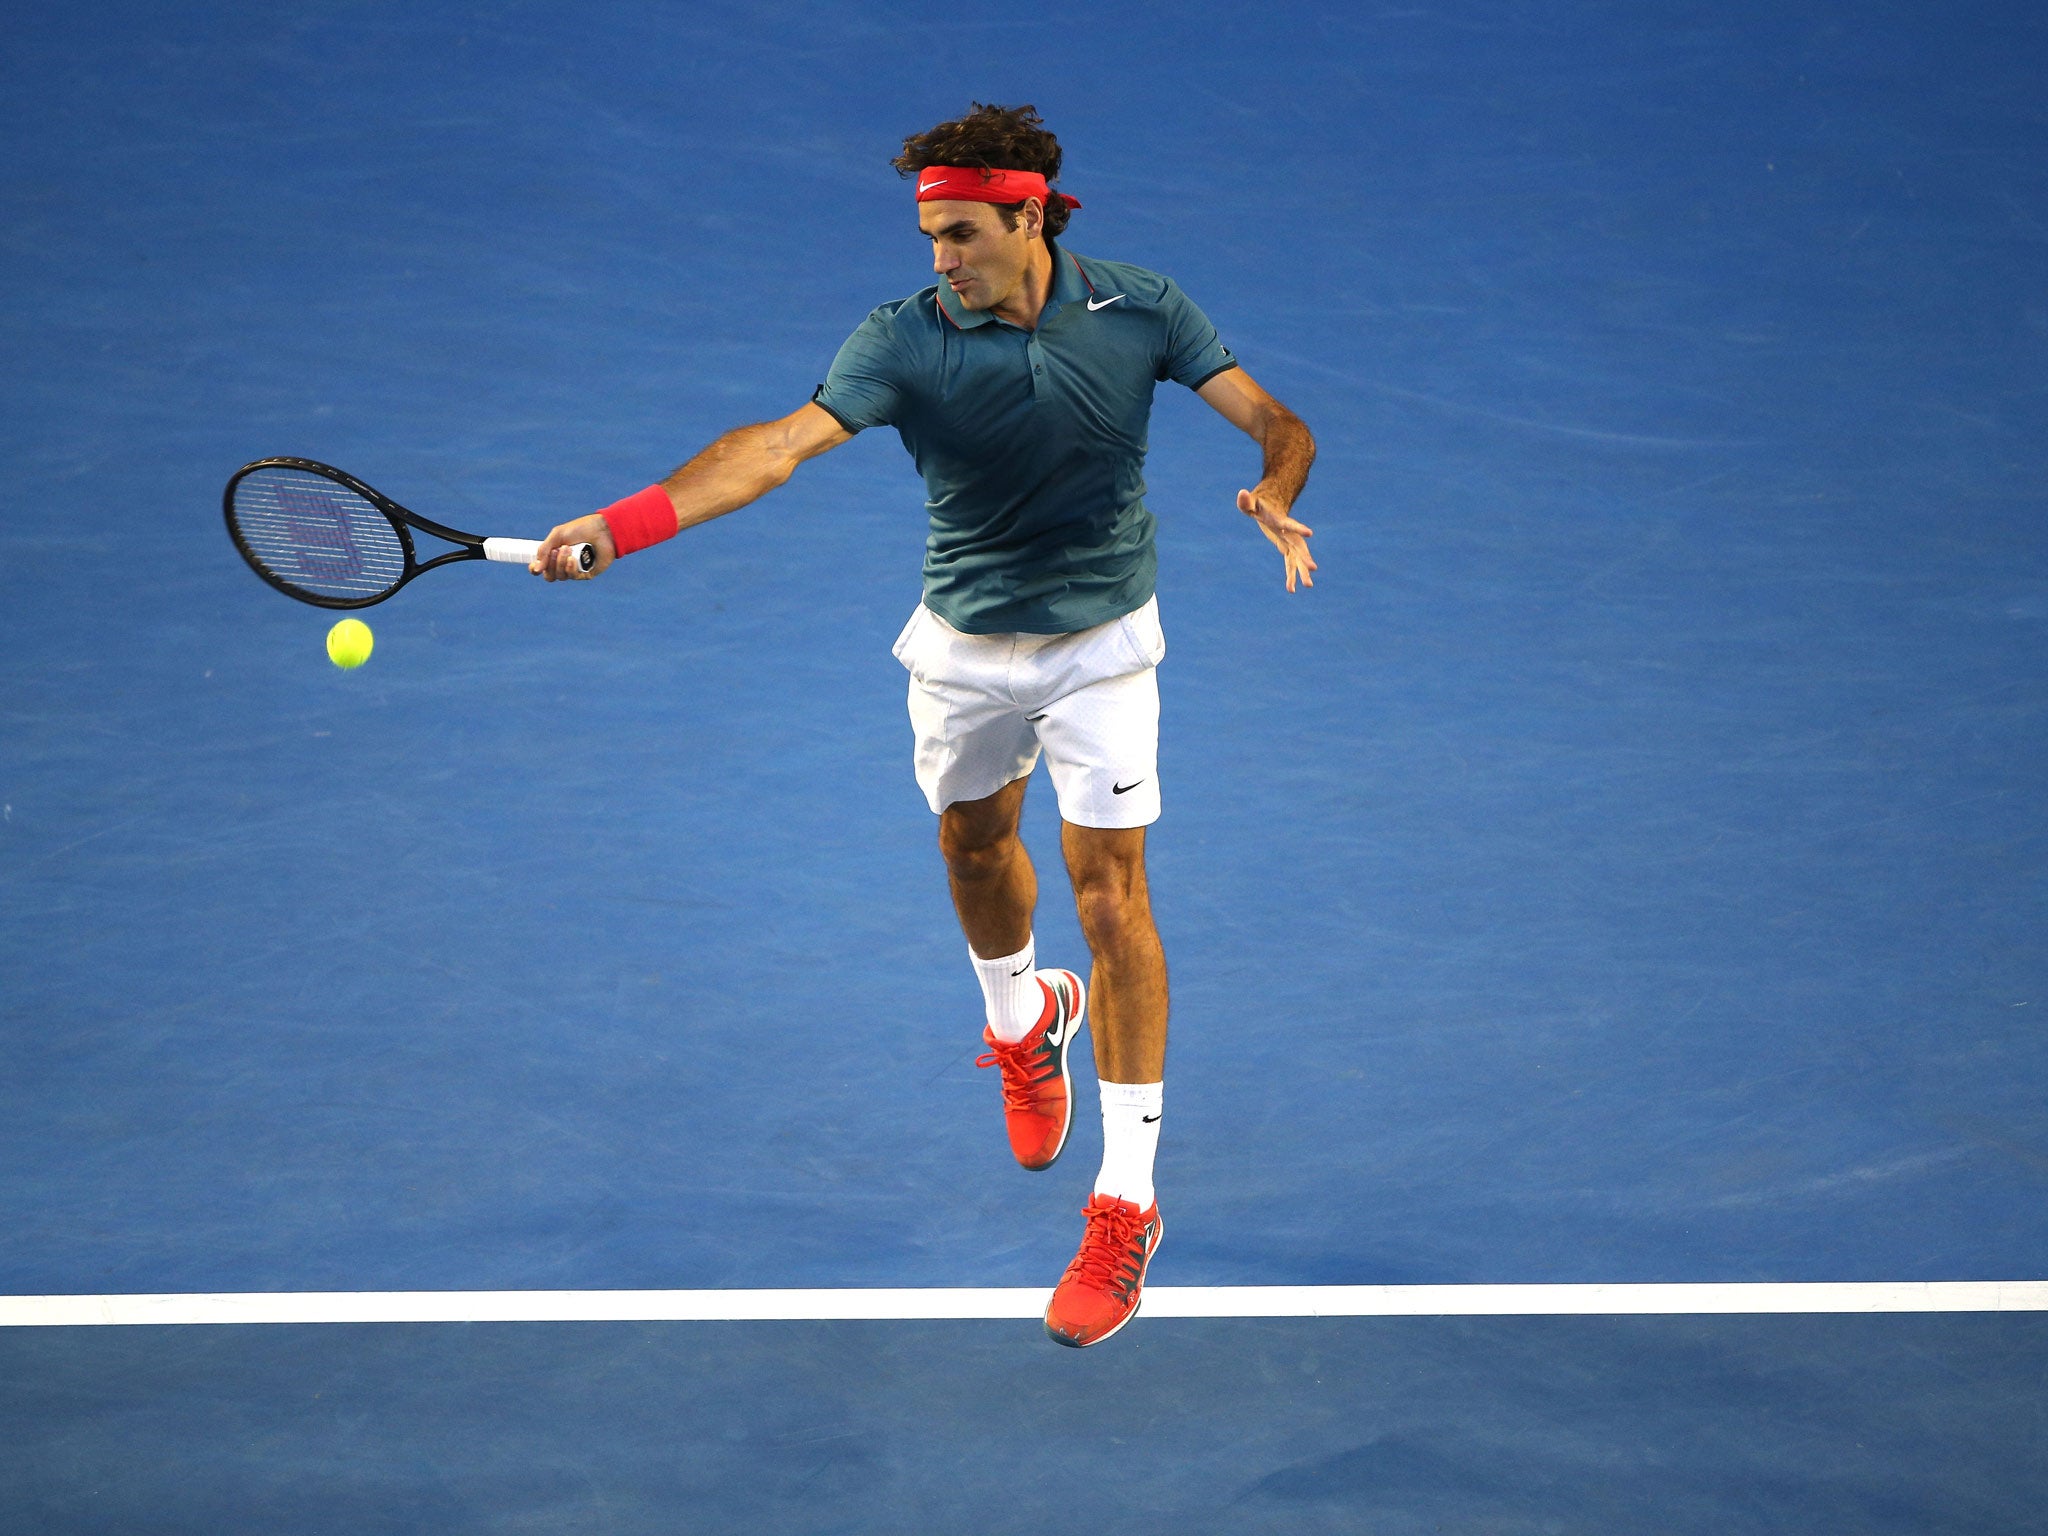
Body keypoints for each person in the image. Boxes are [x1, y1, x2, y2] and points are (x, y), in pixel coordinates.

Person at [531, 103, 1315, 1347]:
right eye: (927, 235)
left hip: (1103, 649)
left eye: (959, 233)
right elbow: (771, 449)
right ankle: (1021, 1022)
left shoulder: (1143, 310)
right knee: (967, 847)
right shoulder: (901, 341)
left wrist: (1274, 487)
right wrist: (621, 525)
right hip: (960, 649)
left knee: (1112, 900)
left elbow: (1277, 419)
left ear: (1026, 216)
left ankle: (1125, 1206)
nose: (939, 257)